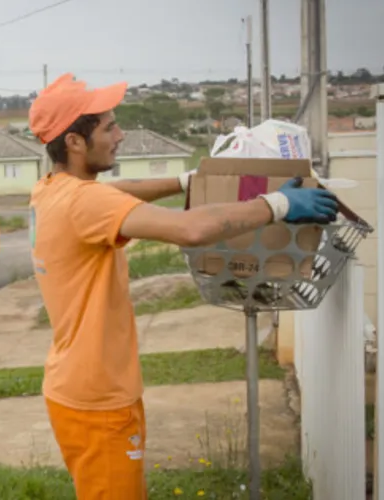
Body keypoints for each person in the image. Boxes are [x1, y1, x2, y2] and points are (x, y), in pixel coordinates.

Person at [27, 73, 339, 499]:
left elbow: (122, 191)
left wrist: (186, 181)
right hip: (98, 399)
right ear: (75, 142)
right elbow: (190, 229)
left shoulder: (53, 191)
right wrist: (277, 204)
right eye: (109, 127)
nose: (120, 135)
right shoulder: (85, 202)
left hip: (79, 388)